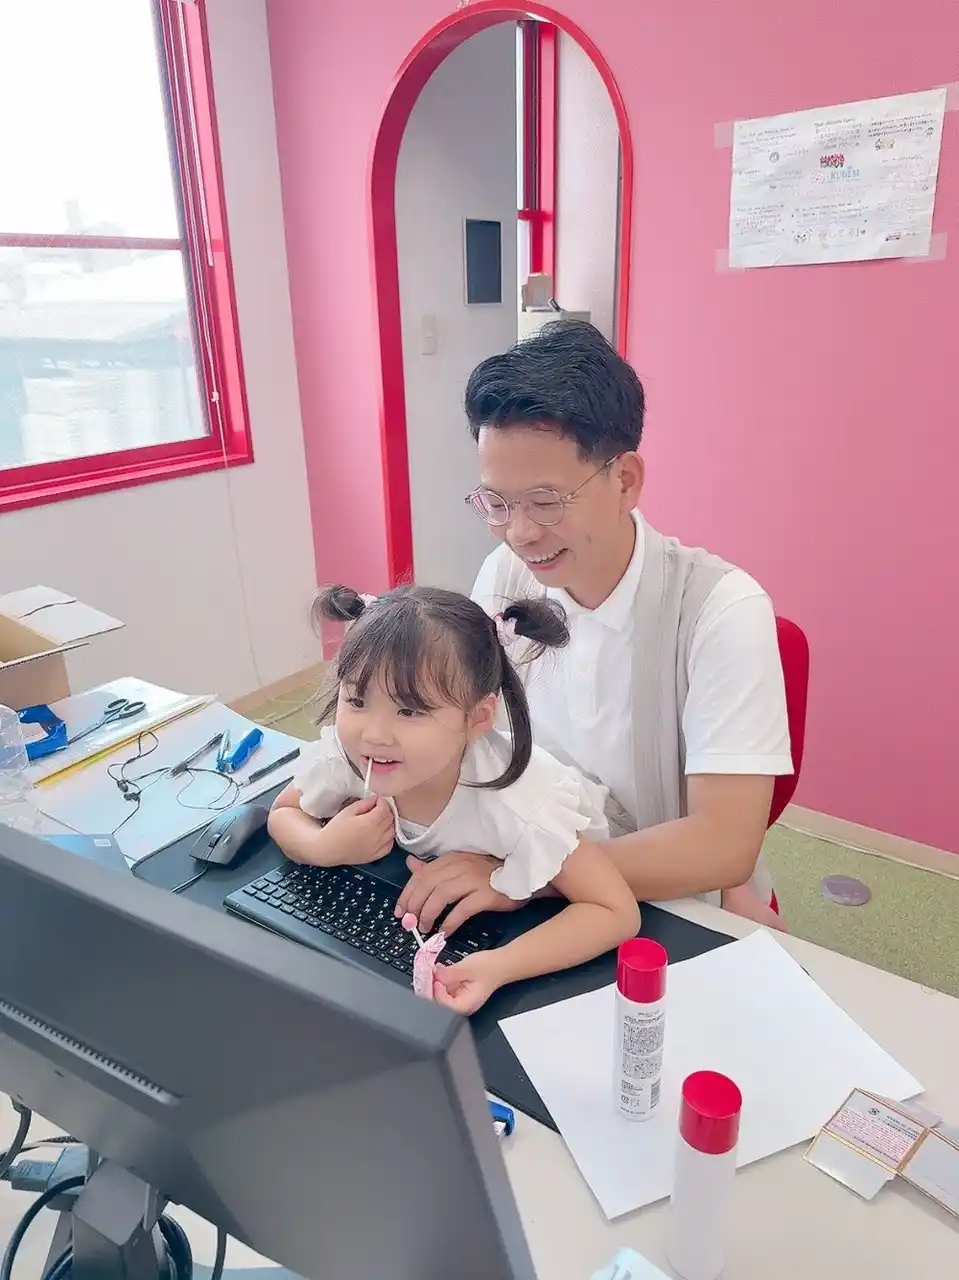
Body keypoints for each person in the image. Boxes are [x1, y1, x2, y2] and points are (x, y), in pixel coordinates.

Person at [399, 320, 792, 933]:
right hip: (517, 866)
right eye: (498, 503)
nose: (519, 533)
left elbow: (723, 845)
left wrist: (524, 874)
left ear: (625, 480)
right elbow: (466, 731)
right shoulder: (506, 573)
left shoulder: (721, 610)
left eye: (546, 502)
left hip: (654, 898)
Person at [267, 584, 640, 1013]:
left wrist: (498, 967)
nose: (374, 733)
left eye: (409, 711)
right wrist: (322, 846)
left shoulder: (520, 802)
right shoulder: (353, 756)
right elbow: (284, 811)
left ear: (477, 718)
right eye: (357, 700)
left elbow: (613, 910)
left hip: (602, 864)